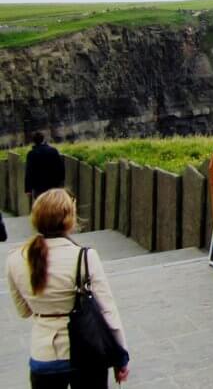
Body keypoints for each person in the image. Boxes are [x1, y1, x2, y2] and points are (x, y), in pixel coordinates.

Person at [6, 188, 130, 387]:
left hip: (43, 356)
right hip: (87, 353)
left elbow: (23, 311)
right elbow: (108, 311)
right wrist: (121, 356)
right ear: (69, 219)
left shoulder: (15, 259)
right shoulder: (85, 257)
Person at [25, 132, 65, 206]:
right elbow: (60, 167)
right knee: (53, 204)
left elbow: (29, 172)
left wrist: (28, 189)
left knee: (42, 205)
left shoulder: (31, 154)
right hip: (53, 184)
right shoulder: (53, 151)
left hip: (38, 186)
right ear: (43, 139)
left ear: (34, 141)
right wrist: (61, 181)